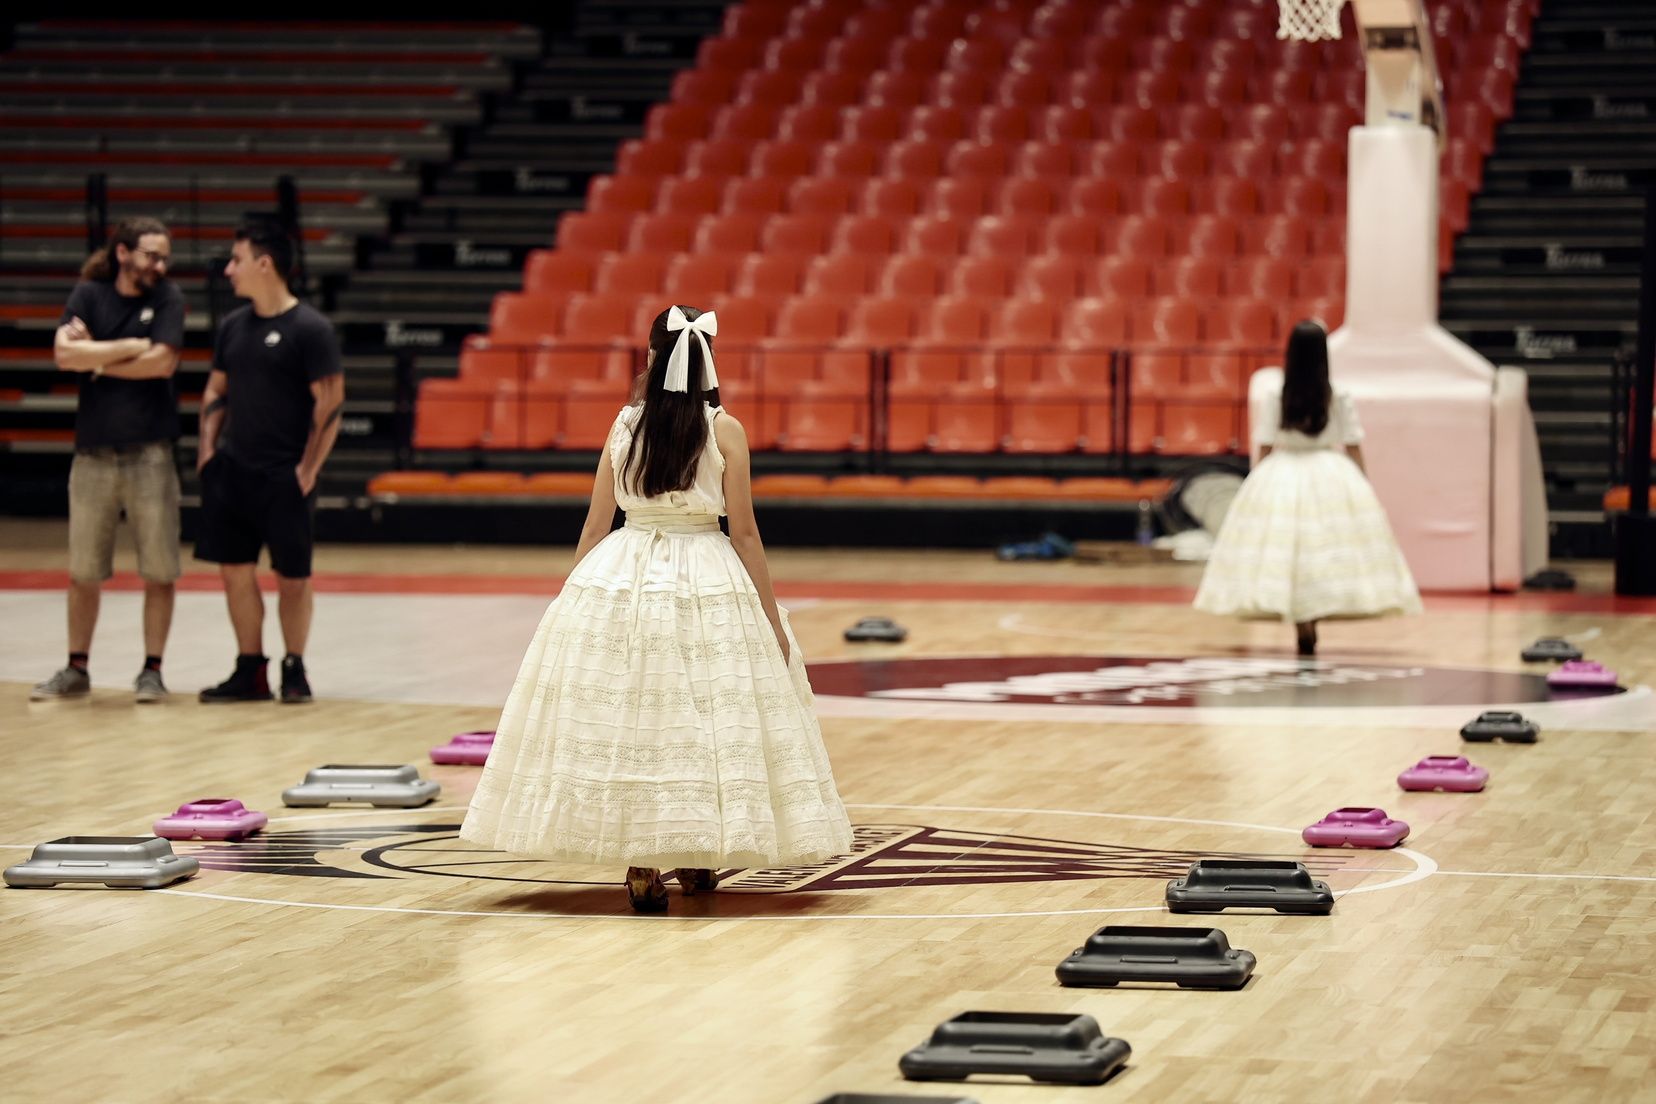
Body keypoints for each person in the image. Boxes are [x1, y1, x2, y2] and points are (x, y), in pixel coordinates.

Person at [460, 305, 853, 912]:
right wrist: (772, 620)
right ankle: (697, 858)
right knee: (702, 715)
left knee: (637, 719)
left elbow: (596, 522)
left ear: (651, 357)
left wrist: (570, 603)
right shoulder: (726, 430)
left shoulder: (625, 426)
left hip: (624, 569)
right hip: (708, 573)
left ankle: (642, 864)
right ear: (708, 361)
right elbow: (743, 531)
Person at [1193, 320, 1422, 654]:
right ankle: (1311, 615)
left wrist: (1259, 484)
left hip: (1284, 472)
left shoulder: (1277, 394)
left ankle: (1302, 620)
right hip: (1331, 470)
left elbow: (1266, 444)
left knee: (1291, 550)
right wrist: (1363, 485)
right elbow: (1353, 443)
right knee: (1321, 549)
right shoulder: (1337, 395)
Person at [32, 217, 185, 703]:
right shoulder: (88, 294)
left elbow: (162, 362)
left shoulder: (167, 299)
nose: (159, 265)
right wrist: (124, 351)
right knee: (83, 570)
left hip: (150, 453)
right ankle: (77, 667)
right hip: (93, 454)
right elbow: (62, 355)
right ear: (123, 253)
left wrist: (93, 356)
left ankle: (152, 670)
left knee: (159, 568)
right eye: (150, 255)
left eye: (164, 257)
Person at [194, 220, 344, 703]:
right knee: (234, 570)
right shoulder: (232, 327)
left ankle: (294, 667)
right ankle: (249, 668)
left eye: (237, 259)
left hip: (284, 475)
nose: (229, 269)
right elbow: (216, 390)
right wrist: (207, 455)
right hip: (233, 472)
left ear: (265, 263)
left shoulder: (310, 329)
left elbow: (331, 403)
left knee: (293, 577)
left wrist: (308, 470)